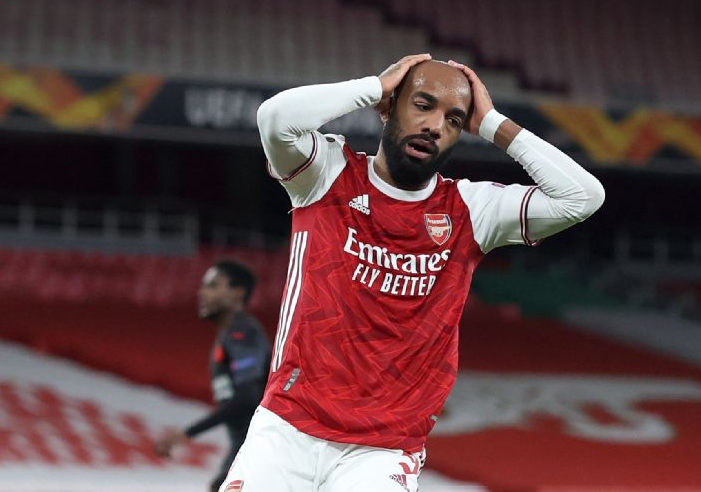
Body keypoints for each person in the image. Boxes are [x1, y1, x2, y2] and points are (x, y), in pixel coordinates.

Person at [219, 54, 605, 491]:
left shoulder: (470, 211)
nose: (435, 126)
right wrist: (375, 87)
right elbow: (274, 118)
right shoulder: (327, 175)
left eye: (454, 120)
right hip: (287, 429)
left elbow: (582, 198)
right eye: (422, 105)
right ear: (388, 107)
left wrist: (494, 122)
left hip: (383, 451)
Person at [154, 260, 271, 491]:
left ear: (237, 293)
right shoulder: (230, 336)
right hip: (247, 447)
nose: (202, 292)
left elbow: (248, 398)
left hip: (259, 449)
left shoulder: (243, 333)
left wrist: (186, 433)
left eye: (213, 285)